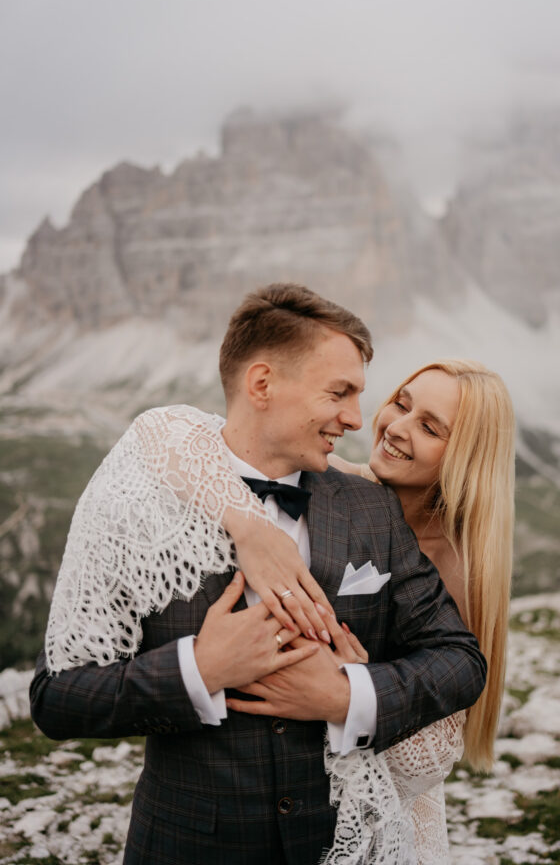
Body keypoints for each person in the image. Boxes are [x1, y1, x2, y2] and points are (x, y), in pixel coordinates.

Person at [30, 283, 487, 865]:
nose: (356, 419)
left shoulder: (372, 507)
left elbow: (460, 660)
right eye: (339, 393)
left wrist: (347, 694)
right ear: (262, 384)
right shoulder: (133, 506)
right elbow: (57, 696)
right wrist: (200, 669)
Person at [206, 358, 515, 863]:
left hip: (385, 818)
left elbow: (433, 754)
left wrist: (354, 689)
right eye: (401, 404)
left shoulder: (458, 564)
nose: (397, 427)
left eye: (429, 427)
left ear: (465, 457)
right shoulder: (341, 481)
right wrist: (246, 528)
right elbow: (169, 431)